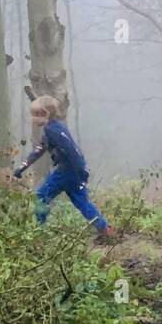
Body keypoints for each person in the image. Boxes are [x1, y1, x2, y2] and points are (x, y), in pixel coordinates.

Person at [14, 95, 114, 245]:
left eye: (35, 115)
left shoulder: (52, 130)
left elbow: (71, 150)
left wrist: (80, 171)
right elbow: (40, 149)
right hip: (73, 172)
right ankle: (105, 230)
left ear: (44, 114)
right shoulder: (55, 128)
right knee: (82, 202)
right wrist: (22, 167)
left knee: (41, 197)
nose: (32, 119)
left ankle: (39, 235)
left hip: (66, 172)